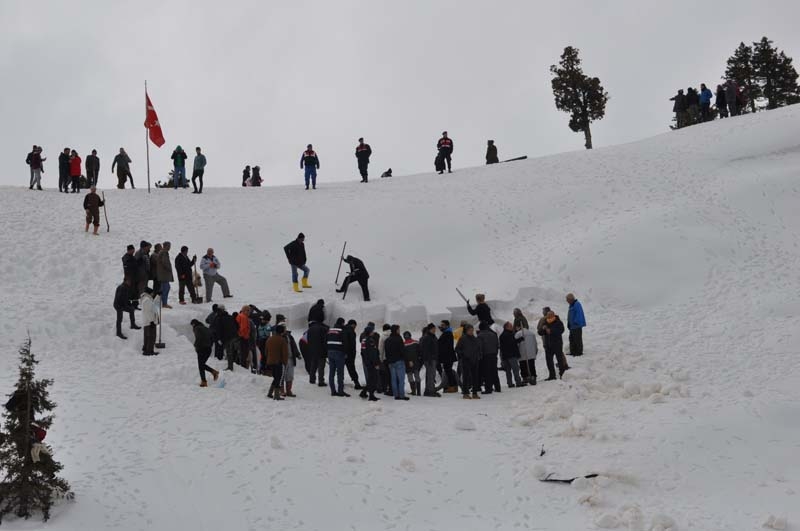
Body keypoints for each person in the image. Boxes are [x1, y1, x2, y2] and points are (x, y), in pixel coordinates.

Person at [455, 324, 481, 399]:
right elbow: (457, 349)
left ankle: (475, 393)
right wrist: (463, 355)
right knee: (466, 377)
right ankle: (465, 393)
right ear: (466, 331)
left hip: (475, 360)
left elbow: (479, 348)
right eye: (470, 330)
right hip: (466, 361)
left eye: (472, 330)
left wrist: (479, 355)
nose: (471, 331)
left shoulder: (475, 339)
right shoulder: (462, 339)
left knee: (475, 377)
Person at [191, 319, 219, 387]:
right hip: (208, 349)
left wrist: (195, 346)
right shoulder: (206, 328)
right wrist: (210, 345)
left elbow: (199, 338)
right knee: (202, 365)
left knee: (201, 366)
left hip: (201, 348)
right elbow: (212, 338)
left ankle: (204, 381)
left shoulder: (197, 328)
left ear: (194, 324)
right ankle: (213, 372)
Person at [325, 318, 349, 397]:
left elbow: (325, 341)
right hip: (339, 353)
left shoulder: (329, 330)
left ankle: (333, 391)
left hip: (330, 352)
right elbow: (345, 343)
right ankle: (340, 391)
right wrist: (346, 353)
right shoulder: (342, 331)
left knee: (331, 372)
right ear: (342, 323)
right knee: (340, 372)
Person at [540, 311, 566, 380]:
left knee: (559, 360)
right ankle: (552, 375)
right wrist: (543, 329)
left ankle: (562, 374)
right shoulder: (545, 322)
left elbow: (561, 330)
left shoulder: (558, 322)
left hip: (557, 344)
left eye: (549, 316)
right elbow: (540, 332)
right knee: (549, 361)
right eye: (547, 316)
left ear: (553, 315)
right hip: (548, 345)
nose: (548, 317)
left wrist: (551, 331)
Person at [266, 324, 289, 401]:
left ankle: (270, 393)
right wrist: (285, 363)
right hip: (279, 362)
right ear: (282, 332)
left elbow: (266, 352)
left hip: (270, 361)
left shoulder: (269, 339)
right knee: (279, 379)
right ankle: (276, 395)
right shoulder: (282, 340)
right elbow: (285, 353)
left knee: (276, 378)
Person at [385, 325, 408, 400]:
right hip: (399, 361)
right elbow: (402, 350)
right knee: (401, 379)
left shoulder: (387, 340)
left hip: (391, 362)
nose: (399, 331)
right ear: (396, 330)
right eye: (399, 329)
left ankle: (396, 395)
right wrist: (405, 359)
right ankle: (401, 395)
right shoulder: (399, 338)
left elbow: (386, 352)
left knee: (393, 379)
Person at [359, 323, 381, 401]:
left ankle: (364, 392)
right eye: (372, 331)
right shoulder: (370, 340)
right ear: (370, 332)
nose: (373, 332)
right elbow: (373, 354)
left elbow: (362, 352)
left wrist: (366, 361)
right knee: (374, 379)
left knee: (370, 378)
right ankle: (371, 395)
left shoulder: (363, 340)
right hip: (372, 363)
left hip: (367, 362)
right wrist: (376, 364)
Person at [477, 322, 501, 394]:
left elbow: (480, 347)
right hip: (493, 355)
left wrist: (480, 357)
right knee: (494, 371)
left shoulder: (480, 336)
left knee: (487, 372)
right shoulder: (493, 334)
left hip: (485, 356)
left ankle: (488, 388)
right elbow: (497, 345)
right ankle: (498, 387)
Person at [499, 322, 524, 388]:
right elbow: (512, 343)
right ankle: (518, 382)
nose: (512, 327)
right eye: (510, 326)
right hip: (511, 355)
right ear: (506, 327)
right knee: (515, 369)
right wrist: (520, 339)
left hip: (505, 355)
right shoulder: (509, 334)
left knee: (508, 370)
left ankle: (510, 383)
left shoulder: (502, 335)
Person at [306, 319, 328, 386]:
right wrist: (326, 350)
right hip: (321, 350)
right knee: (321, 366)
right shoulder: (323, 329)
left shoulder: (310, 329)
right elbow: (325, 340)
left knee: (313, 365)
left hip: (312, 350)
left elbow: (308, 340)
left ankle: (312, 379)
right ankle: (321, 381)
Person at [437, 320, 458, 393]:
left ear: (447, 326)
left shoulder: (447, 333)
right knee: (448, 370)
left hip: (447, 356)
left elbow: (444, 345)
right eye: (441, 325)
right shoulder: (447, 333)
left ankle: (452, 386)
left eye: (443, 325)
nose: (441, 326)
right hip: (448, 356)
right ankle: (454, 386)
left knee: (448, 370)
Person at [420, 323, 440, 397]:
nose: (434, 330)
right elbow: (425, 350)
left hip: (434, 359)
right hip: (429, 360)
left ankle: (428, 390)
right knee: (431, 375)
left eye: (434, 328)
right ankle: (430, 391)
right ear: (429, 329)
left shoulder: (433, 337)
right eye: (433, 329)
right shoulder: (427, 338)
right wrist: (428, 360)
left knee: (431, 375)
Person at [342, 319, 362, 389]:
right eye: (355, 326)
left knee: (340, 368)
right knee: (351, 368)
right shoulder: (351, 331)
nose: (355, 327)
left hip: (342, 352)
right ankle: (357, 383)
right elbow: (351, 344)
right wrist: (352, 354)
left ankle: (340, 382)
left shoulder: (343, 329)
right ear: (353, 324)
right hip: (349, 353)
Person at [140, 287, 159, 356]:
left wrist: (158, 296)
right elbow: (149, 312)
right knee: (151, 337)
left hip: (147, 321)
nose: (153, 294)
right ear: (149, 293)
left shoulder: (146, 299)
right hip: (150, 321)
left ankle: (145, 348)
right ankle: (149, 351)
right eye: (153, 293)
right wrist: (152, 321)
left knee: (147, 336)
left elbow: (153, 307)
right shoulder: (147, 300)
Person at [155, 242, 175, 308]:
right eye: (169, 246)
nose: (169, 247)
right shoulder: (164, 252)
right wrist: (169, 268)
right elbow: (165, 262)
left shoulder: (161, 252)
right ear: (166, 246)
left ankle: (164, 303)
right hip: (164, 275)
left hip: (162, 274)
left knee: (165, 288)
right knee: (165, 289)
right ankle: (164, 303)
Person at [403, 331, 422, 396]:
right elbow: (420, 352)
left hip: (408, 363)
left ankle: (413, 391)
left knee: (410, 377)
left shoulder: (403, 344)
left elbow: (404, 355)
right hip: (416, 362)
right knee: (417, 376)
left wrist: (409, 361)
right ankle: (418, 392)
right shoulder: (416, 342)